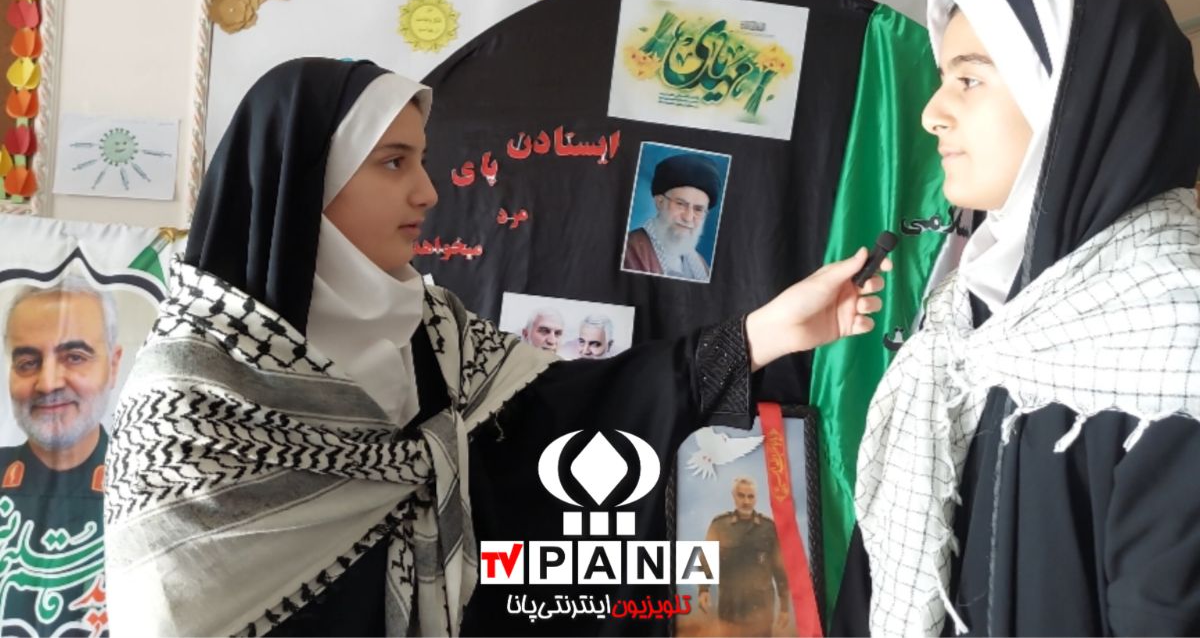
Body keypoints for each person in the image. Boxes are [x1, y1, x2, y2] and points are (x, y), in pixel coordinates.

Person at [102, 58, 890, 637]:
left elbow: (566, 420)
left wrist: (764, 334)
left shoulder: (432, 336)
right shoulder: (194, 395)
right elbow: (172, 606)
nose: (427, 191)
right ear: (308, 182)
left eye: (422, 160)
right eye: (393, 162)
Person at [842, 0, 1200, 636]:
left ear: (1075, 102)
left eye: (969, 80)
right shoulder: (975, 309)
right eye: (944, 80)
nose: (931, 114)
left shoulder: (1175, 333)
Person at [1, 277, 121, 637]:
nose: (48, 383)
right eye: (27, 362)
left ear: (113, 366)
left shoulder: (152, 487)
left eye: (74, 357)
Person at [697, 477, 789, 637]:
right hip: (730, 607)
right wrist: (703, 590)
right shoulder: (719, 525)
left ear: (756, 498)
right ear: (733, 496)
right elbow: (705, 560)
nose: (746, 501)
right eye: (741, 495)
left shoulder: (769, 528)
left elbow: (780, 569)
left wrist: (785, 607)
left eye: (750, 496)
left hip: (761, 609)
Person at [623, 153, 721, 280]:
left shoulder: (700, 264)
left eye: (698, 209)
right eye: (680, 204)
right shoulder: (629, 250)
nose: (688, 218)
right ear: (659, 202)